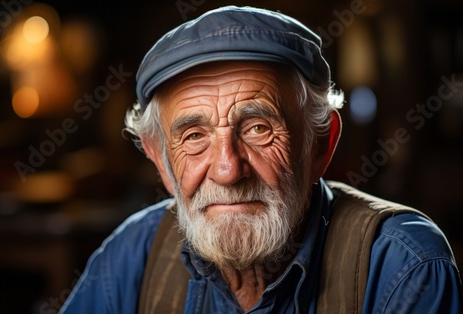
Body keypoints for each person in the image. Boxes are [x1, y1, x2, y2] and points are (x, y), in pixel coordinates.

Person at [60, 6, 462, 313]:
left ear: (320, 145)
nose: (228, 170)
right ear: (162, 162)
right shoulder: (133, 254)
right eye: (195, 136)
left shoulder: (403, 265)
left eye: (258, 129)